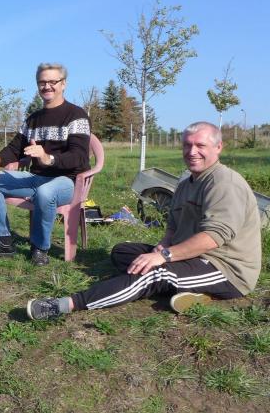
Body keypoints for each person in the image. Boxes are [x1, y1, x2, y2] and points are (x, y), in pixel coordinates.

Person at [27, 121, 262, 320]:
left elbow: (213, 238)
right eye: (187, 145)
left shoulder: (224, 183)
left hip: (224, 267)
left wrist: (164, 256)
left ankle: (64, 305)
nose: (192, 152)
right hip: (189, 255)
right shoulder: (185, 184)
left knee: (153, 273)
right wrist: (163, 245)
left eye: (200, 145)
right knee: (122, 252)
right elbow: (173, 226)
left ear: (218, 147)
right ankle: (188, 290)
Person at [0, 63, 90, 266]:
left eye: (53, 81)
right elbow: (15, 147)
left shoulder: (76, 116)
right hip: (36, 178)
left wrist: (47, 158)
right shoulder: (33, 119)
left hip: (67, 181)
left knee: (45, 192)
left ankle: (39, 247)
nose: (47, 86)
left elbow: (79, 157)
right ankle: (2, 240)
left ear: (63, 84)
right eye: (42, 82)